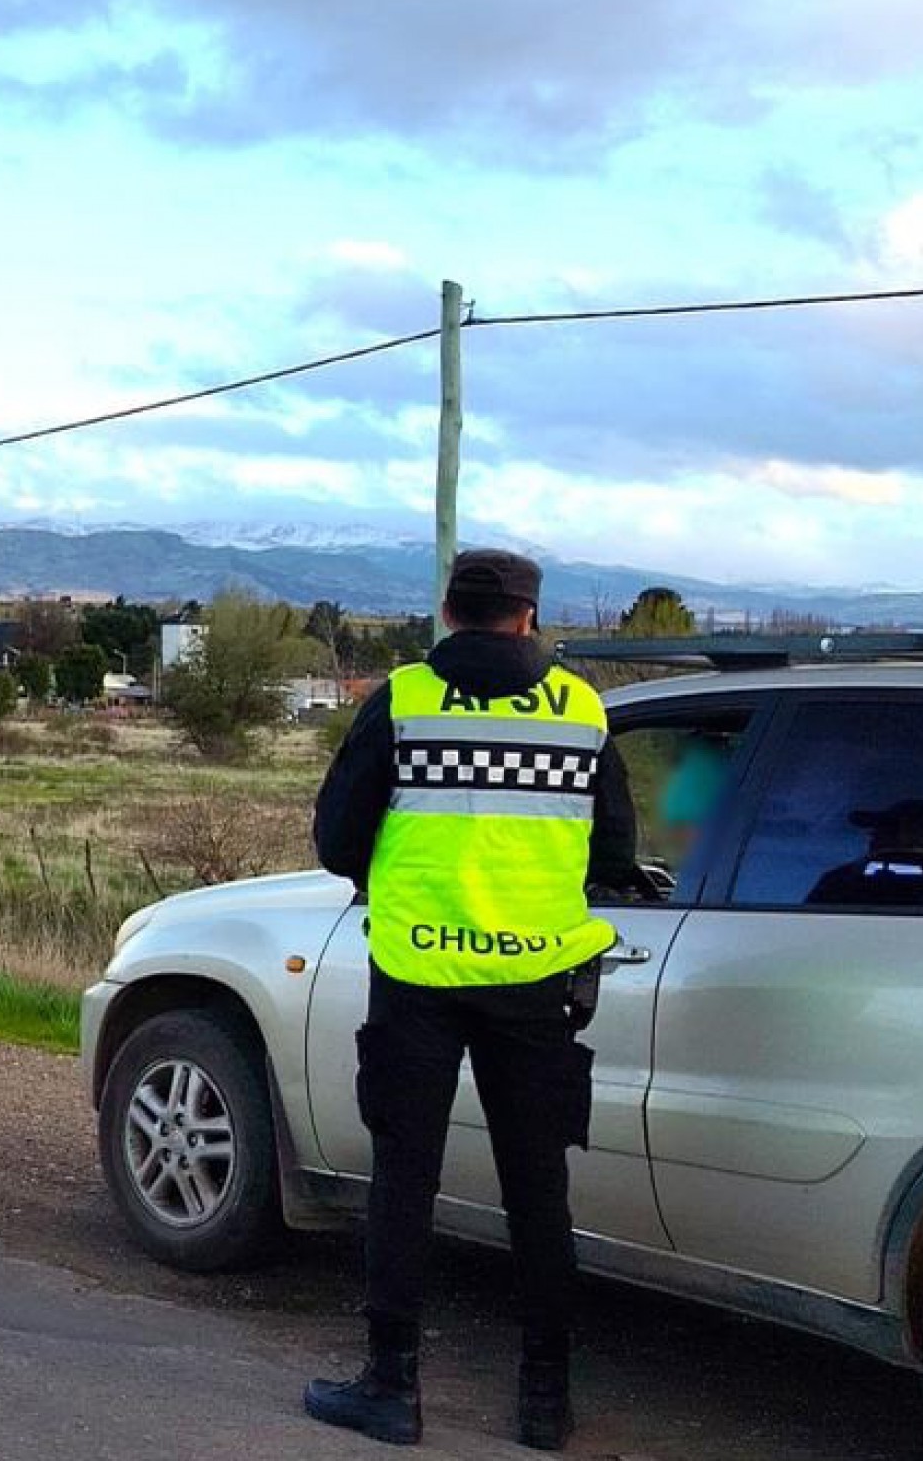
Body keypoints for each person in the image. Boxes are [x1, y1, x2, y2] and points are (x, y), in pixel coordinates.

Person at [305, 549, 641, 1452]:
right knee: (539, 1186)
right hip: (536, 982)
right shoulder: (581, 707)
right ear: (530, 617)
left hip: (417, 975)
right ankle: (544, 1402)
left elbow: (337, 841)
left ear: (448, 612)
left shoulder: (405, 698)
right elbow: (613, 850)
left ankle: (391, 1387)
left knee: (404, 1179)